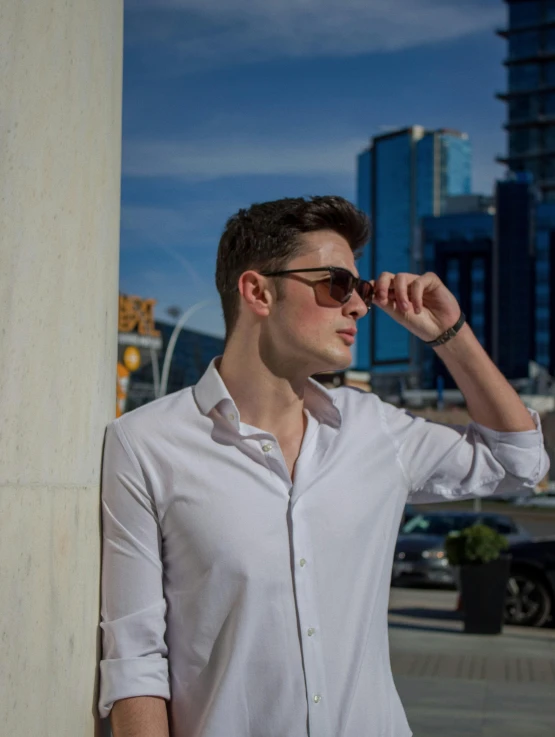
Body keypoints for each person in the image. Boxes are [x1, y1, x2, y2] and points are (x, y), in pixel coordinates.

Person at [99, 196, 549, 737]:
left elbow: (520, 463)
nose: (359, 307)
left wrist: (448, 334)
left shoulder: (376, 430)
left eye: (359, 290)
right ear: (258, 291)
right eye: (337, 284)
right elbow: (135, 659)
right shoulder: (145, 442)